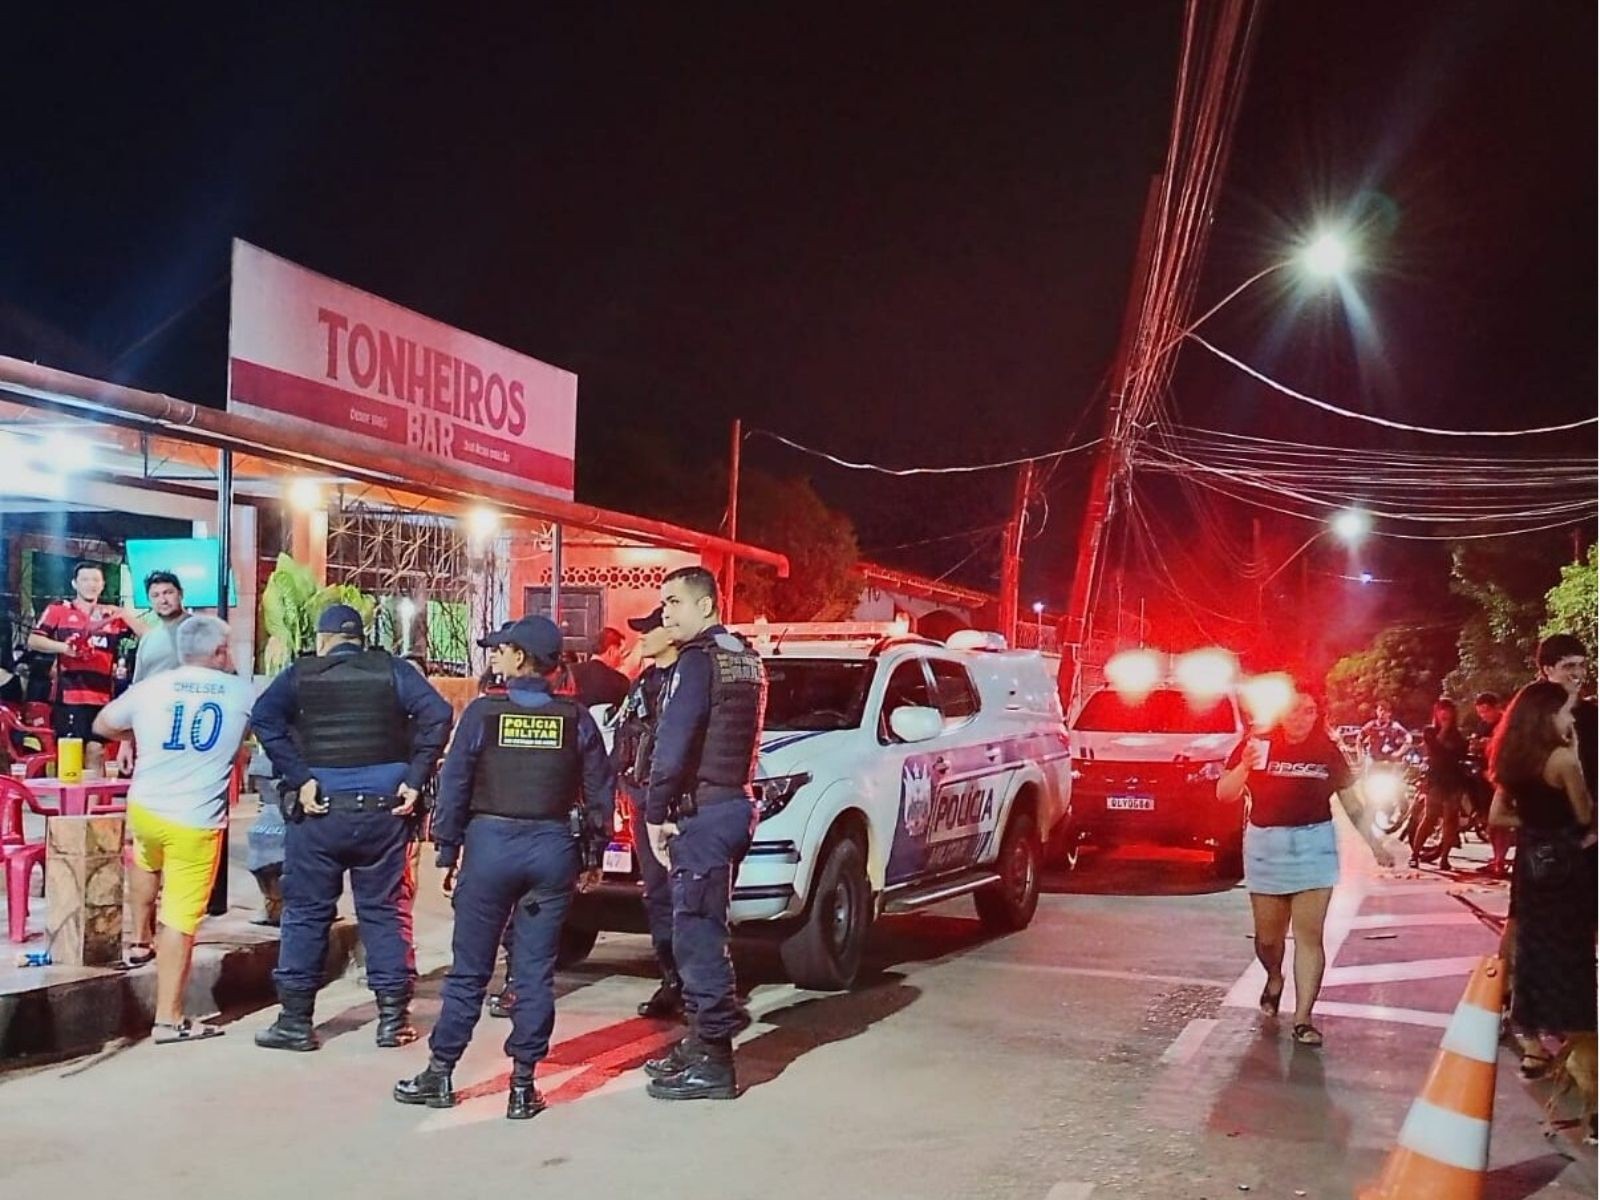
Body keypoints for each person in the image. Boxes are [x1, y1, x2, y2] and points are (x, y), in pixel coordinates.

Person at [393, 616, 613, 1120]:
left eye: (501, 649)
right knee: (534, 973)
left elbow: (455, 784)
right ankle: (522, 1084)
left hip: (490, 847)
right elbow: (601, 789)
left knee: (470, 970)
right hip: (552, 849)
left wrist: (446, 849)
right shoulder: (575, 718)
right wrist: (594, 853)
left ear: (521, 658)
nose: (494, 656)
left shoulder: (484, 713)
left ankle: (441, 1072)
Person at [251, 604, 453, 1052]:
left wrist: (300, 777)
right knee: (383, 910)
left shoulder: (301, 674)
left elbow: (263, 718)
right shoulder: (393, 671)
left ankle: (295, 1021)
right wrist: (415, 779)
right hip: (385, 813)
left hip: (320, 812)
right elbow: (438, 715)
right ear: (360, 639)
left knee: (306, 913)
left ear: (324, 640)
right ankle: (392, 1020)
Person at [91, 616, 253, 1042]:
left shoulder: (153, 688)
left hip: (146, 807)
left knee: (145, 860)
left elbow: (103, 724)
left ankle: (139, 942)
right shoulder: (241, 692)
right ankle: (169, 1017)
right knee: (181, 917)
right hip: (194, 821)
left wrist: (142, 732)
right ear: (219, 652)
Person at [639, 566, 766, 1100]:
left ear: (707, 605)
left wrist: (655, 810)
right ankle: (698, 1042)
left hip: (704, 814)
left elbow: (674, 743)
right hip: (732, 804)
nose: (666, 613)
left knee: (697, 938)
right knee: (701, 929)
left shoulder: (697, 662)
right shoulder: (747, 658)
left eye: (674, 603)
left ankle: (713, 1060)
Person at [1217, 686, 1393, 1048]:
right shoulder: (1258, 743)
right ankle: (1274, 978)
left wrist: (1375, 845)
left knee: (1309, 937)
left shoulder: (1326, 751)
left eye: (1310, 711)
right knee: (1268, 940)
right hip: (1266, 845)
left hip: (1315, 845)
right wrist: (1244, 766)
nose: (1302, 718)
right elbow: (1225, 793)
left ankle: (1303, 1018)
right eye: (1295, 710)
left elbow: (1352, 803)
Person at [1487, 680, 1596, 1094]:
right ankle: (1577, 1038)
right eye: (1566, 712)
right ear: (1548, 716)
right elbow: (1584, 814)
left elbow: (1498, 816)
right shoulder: (1564, 760)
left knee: (1532, 942)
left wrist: (1534, 826)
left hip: (1531, 863)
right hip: (1567, 863)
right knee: (1573, 953)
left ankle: (1532, 1037)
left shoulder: (1513, 757)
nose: (1571, 719)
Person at [614, 604, 683, 1018]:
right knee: (658, 895)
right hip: (644, 804)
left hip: (679, 808)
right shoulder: (645, 681)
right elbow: (626, 734)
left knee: (687, 898)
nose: (641, 637)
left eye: (649, 630)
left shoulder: (689, 680)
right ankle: (671, 979)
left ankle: (697, 988)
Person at [28, 562, 142, 740]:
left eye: (96, 580)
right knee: (71, 755)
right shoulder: (59, 609)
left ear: (103, 584)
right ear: (74, 583)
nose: (91, 584)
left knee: (97, 752)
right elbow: (34, 640)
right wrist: (65, 648)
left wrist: (125, 615)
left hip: (104, 698)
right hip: (70, 697)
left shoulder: (111, 615)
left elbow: (149, 636)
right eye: (85, 579)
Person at [1411, 698, 1469, 871]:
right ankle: (1415, 854)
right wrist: (1443, 729)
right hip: (1436, 779)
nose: (1444, 714)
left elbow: (1459, 753)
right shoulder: (1429, 731)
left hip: (1454, 779)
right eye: (1441, 710)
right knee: (1430, 817)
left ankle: (1444, 857)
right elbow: (1435, 748)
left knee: (1451, 820)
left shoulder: (1458, 735)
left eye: (1448, 710)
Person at [1468, 692, 1508, 873]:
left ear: (1496, 707)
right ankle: (1497, 858)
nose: (1484, 716)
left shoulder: (1506, 723)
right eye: (1480, 712)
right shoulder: (1482, 725)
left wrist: (1490, 743)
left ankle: (1500, 860)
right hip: (1483, 776)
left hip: (1500, 778)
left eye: (1486, 711)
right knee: (1490, 822)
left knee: (1501, 821)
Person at [571, 626, 629, 709]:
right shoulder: (621, 682)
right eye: (621, 652)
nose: (623, 658)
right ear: (611, 652)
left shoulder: (570, 672)